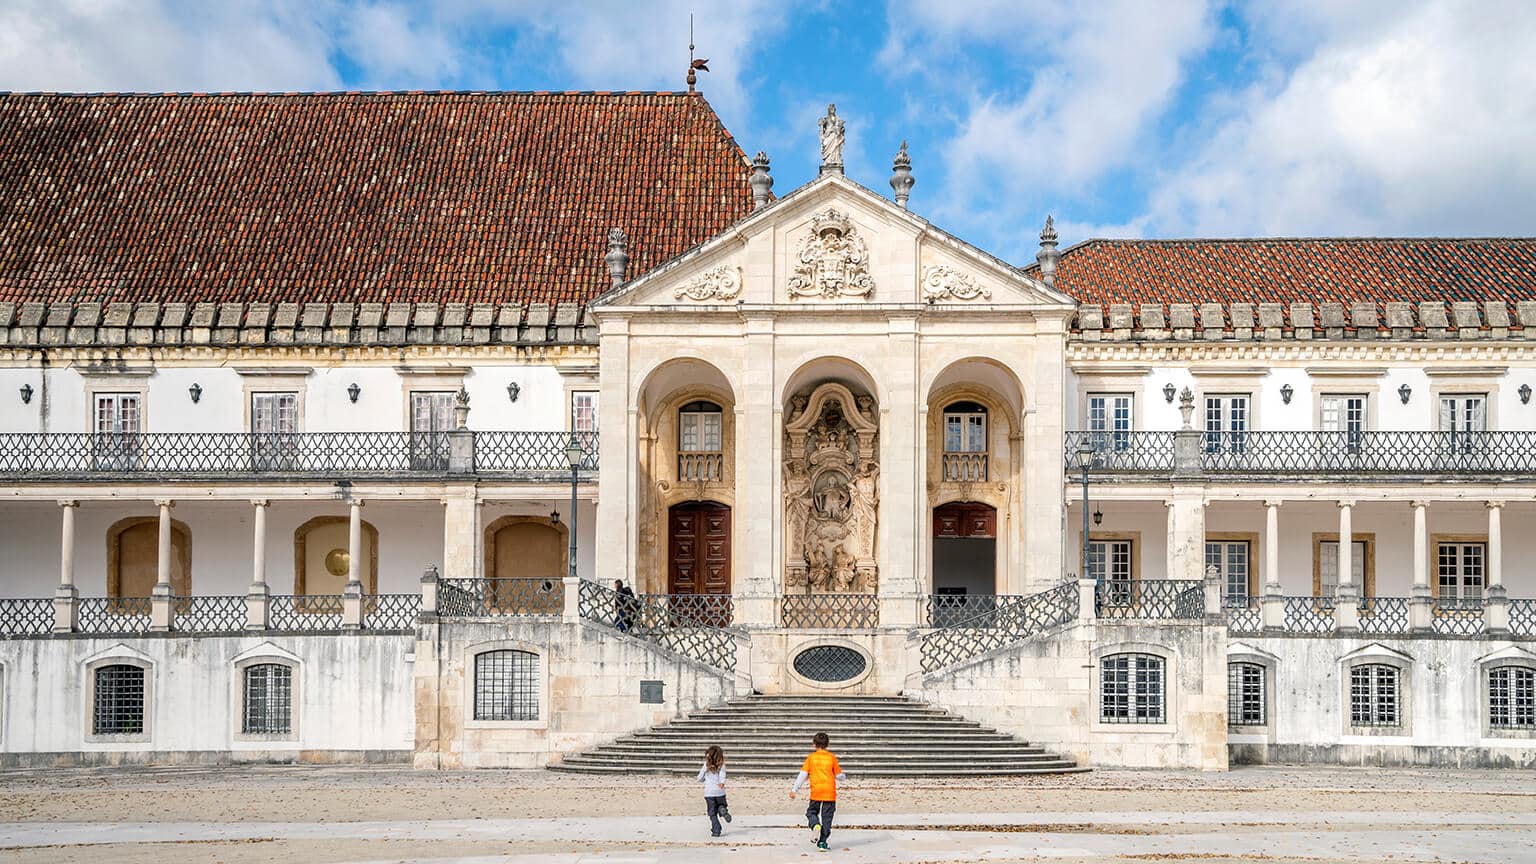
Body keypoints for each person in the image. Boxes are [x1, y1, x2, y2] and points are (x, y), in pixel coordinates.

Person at [790, 731, 844, 851]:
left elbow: (803, 775)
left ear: (814, 744)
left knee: (811, 812)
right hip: (829, 793)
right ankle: (822, 843)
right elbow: (839, 775)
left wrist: (795, 789)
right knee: (827, 818)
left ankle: (815, 825)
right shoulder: (832, 757)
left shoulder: (811, 758)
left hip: (816, 792)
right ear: (828, 744)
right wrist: (842, 777)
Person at [696, 745, 732, 837]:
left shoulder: (706, 765)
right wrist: (721, 783)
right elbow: (723, 775)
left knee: (712, 813)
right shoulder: (721, 765)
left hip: (709, 793)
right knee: (721, 804)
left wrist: (702, 779)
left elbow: (700, 777)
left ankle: (716, 830)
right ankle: (722, 809)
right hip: (720, 791)